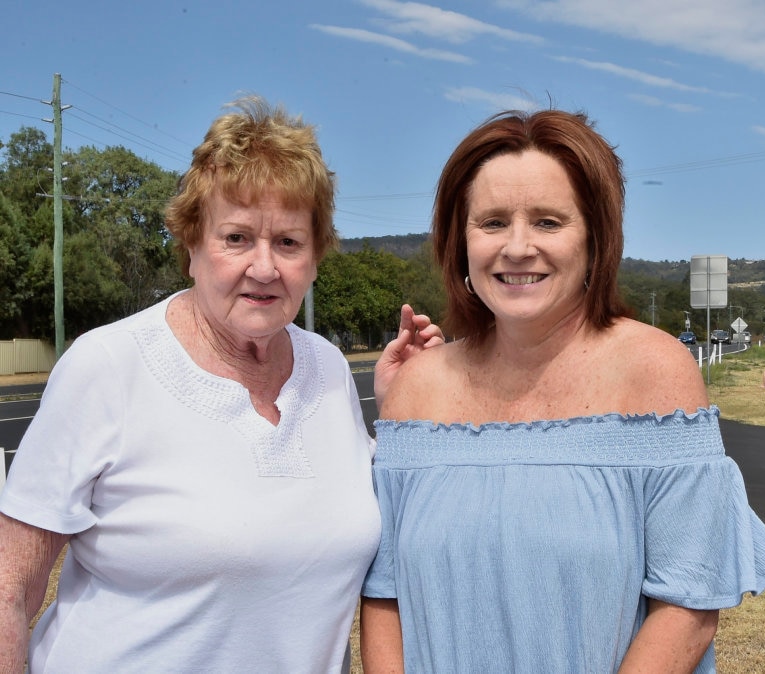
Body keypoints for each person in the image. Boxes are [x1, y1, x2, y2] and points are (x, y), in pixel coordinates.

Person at [0, 96, 440, 672]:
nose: (264, 267)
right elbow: (9, 593)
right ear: (191, 246)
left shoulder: (329, 369)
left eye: (288, 242)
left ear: (314, 259)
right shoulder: (107, 365)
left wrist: (404, 408)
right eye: (236, 238)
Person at [360, 109, 765, 672]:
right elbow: (384, 596)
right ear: (458, 240)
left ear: (595, 238)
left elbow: (688, 605)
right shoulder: (417, 388)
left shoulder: (656, 374)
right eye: (491, 222)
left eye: (547, 222)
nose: (517, 247)